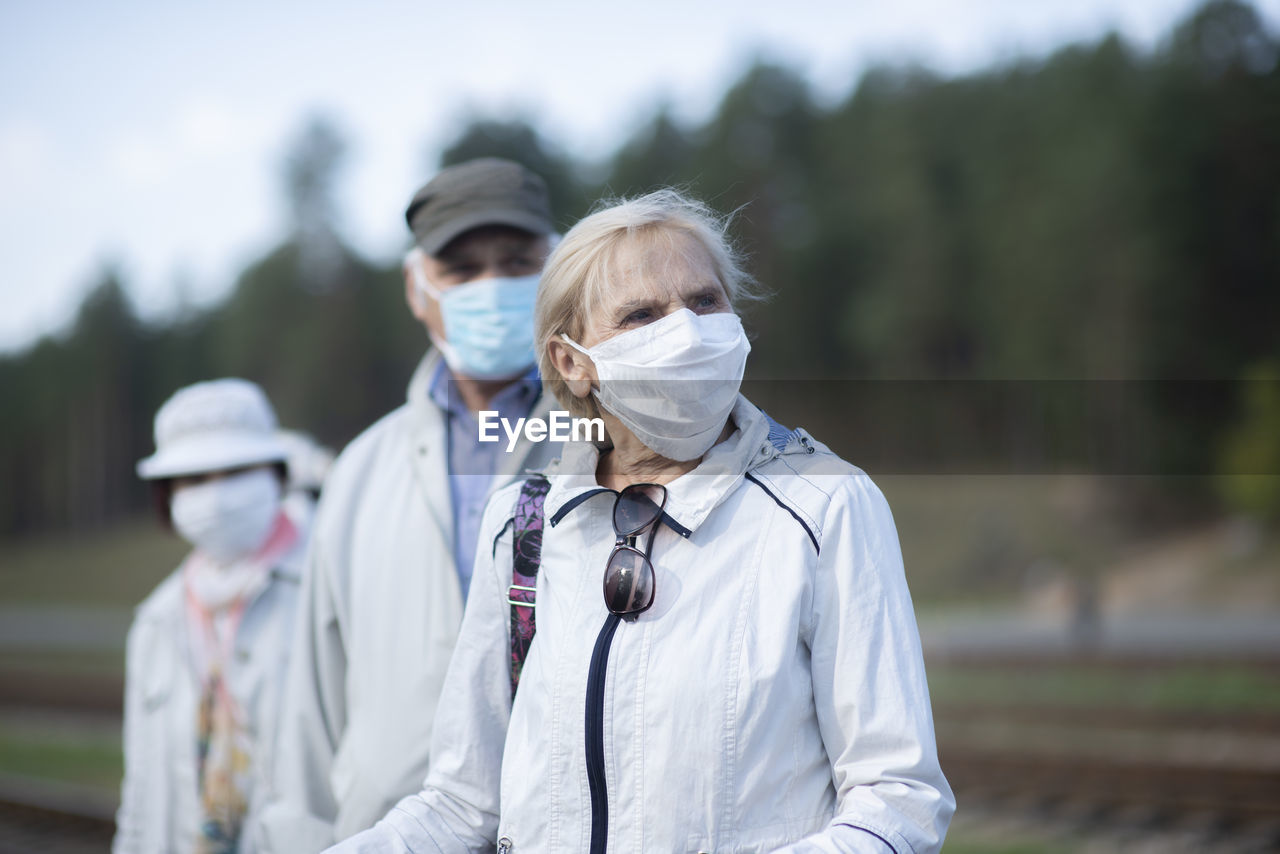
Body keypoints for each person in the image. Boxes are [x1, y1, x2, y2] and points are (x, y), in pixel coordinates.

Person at [330, 189, 955, 853]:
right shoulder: (522, 524)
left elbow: (898, 799)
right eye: (641, 316)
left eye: (705, 301)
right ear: (571, 362)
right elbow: (462, 805)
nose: (686, 331)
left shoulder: (828, 506)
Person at [256, 158, 563, 851]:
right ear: (418, 287)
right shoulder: (361, 472)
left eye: (517, 262)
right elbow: (313, 701)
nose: (492, 285)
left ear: (558, 272)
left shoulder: (616, 443)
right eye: (461, 268)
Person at [115, 378, 308, 854]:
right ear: (168, 496)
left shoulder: (326, 591)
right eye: (196, 479)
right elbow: (139, 791)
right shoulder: (156, 622)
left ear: (277, 475)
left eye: (237, 470)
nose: (218, 495)